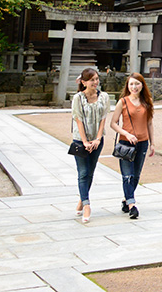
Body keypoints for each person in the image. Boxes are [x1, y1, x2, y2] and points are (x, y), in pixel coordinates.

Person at [110, 71, 154, 219]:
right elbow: (113, 123)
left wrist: (152, 143)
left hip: (142, 143)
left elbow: (149, 124)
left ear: (142, 85)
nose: (134, 87)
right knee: (127, 175)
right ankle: (132, 205)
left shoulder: (147, 102)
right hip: (126, 143)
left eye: (137, 84)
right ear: (127, 86)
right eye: (131, 84)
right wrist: (127, 134)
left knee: (136, 176)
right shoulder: (122, 102)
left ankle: (126, 199)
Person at [70, 67, 110, 224]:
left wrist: (98, 139)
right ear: (84, 82)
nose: (95, 82)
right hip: (80, 140)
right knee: (83, 172)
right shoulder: (78, 98)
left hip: (97, 140)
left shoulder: (104, 97)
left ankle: (82, 198)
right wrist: (85, 141)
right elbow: (78, 119)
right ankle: (86, 205)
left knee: (91, 172)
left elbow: (103, 119)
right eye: (92, 79)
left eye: (97, 79)